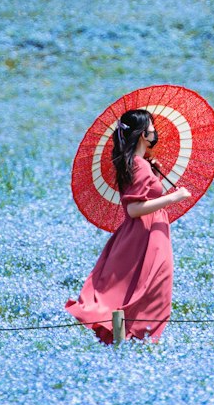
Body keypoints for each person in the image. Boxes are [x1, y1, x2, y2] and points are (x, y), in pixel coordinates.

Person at [65, 108, 191, 344]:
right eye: (152, 127)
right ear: (144, 134)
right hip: (146, 235)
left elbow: (143, 196)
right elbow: (134, 209)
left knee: (139, 288)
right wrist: (174, 197)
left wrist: (153, 175)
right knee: (153, 291)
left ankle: (130, 341)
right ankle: (140, 340)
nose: (155, 131)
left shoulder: (137, 163)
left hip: (144, 232)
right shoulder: (138, 165)